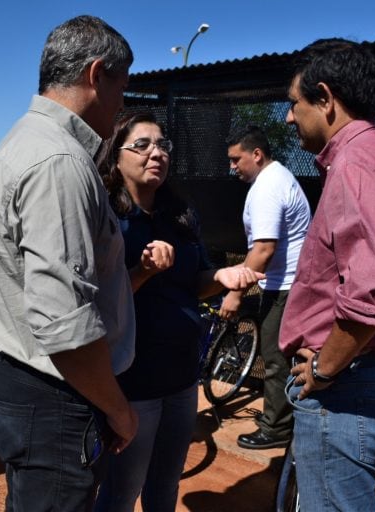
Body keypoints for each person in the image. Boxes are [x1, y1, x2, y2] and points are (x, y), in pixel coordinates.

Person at [0, 16, 140, 511]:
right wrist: (118, 410)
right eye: (122, 86)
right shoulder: (59, 162)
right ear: (96, 75)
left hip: (31, 387)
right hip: (55, 398)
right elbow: (64, 324)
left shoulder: (28, 141)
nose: (122, 103)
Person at [278, 39, 375, 511]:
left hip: (348, 385)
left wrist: (326, 368)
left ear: (325, 99)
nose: (288, 117)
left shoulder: (356, 165)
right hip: (367, 374)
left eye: (293, 104)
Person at [93, 113, 264, 511]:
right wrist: (143, 271)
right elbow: (101, 301)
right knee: (121, 492)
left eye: (162, 145)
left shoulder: (181, 215)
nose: (156, 152)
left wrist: (221, 276)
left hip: (183, 377)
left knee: (165, 488)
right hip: (134, 383)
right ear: (115, 158)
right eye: (142, 145)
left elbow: (196, 282)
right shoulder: (107, 219)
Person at [220, 126, 311, 450]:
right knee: (281, 355)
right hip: (291, 281)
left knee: (274, 359)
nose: (232, 167)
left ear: (256, 154)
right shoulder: (279, 177)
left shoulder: (267, 189)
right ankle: (285, 418)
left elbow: (263, 250)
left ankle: (277, 429)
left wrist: (234, 294)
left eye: (236, 159)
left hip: (285, 285)